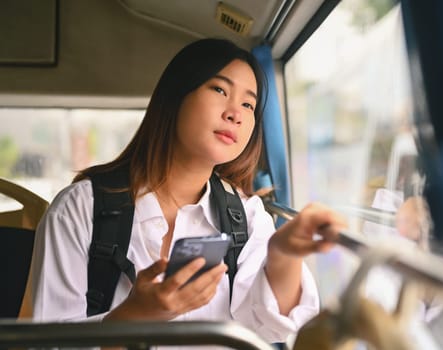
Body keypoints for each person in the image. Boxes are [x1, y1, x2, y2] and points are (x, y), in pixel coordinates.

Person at [29, 38, 348, 346]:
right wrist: (135, 316)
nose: (235, 113)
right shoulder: (80, 208)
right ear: (175, 95)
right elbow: (47, 343)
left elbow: (271, 325)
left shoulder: (247, 217)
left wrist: (284, 255)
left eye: (248, 104)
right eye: (220, 89)